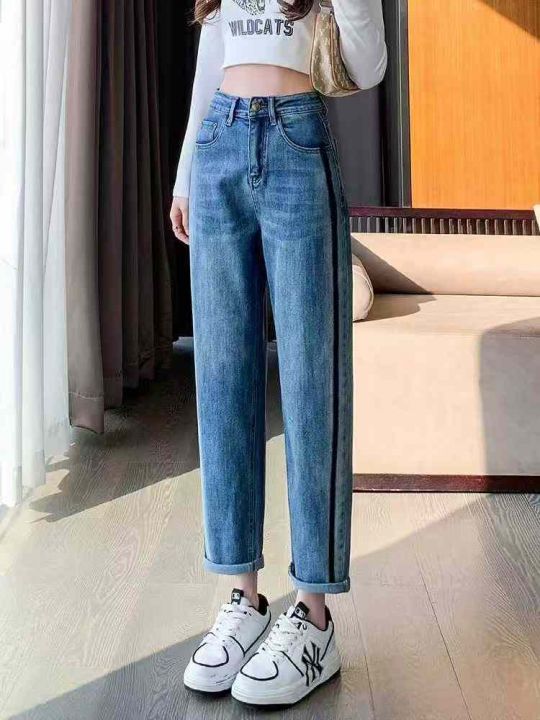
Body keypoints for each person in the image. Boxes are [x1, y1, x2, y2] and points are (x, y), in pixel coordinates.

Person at [169, 0, 387, 707]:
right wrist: (185, 174)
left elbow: (367, 67)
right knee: (222, 379)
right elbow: (212, 57)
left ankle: (314, 617)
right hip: (219, 142)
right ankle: (244, 598)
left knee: (313, 383)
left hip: (297, 142)